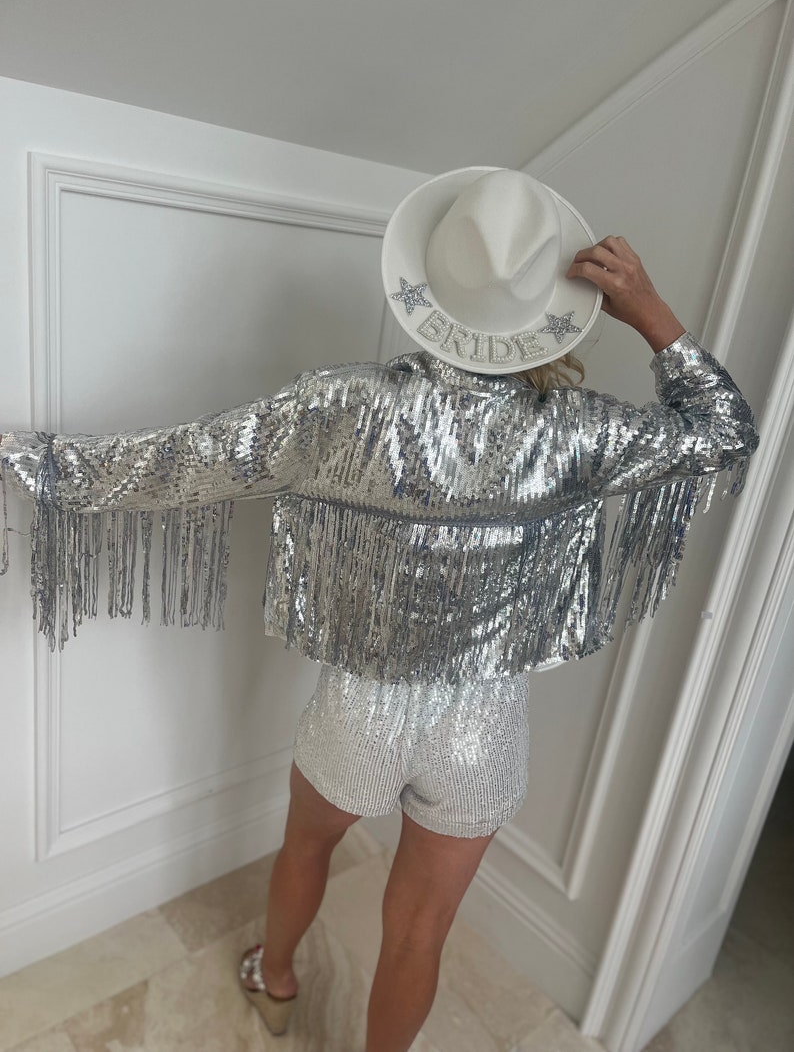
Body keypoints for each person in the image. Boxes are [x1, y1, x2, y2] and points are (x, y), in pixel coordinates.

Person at [0, 168, 758, 1052]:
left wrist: (33, 461)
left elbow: (177, 460)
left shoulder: (337, 405)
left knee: (305, 850)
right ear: (548, 305)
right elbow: (723, 432)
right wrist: (653, 313)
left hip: (359, 710)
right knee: (419, 932)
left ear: (427, 288)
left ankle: (273, 981)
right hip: (482, 726)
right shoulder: (581, 430)